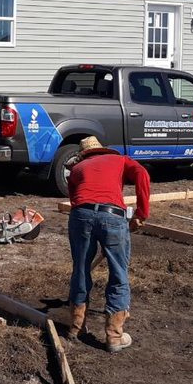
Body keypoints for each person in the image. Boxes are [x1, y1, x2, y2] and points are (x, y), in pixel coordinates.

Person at [64, 136, 151, 352]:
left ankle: (76, 327)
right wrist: (141, 213)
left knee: (81, 270)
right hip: (112, 216)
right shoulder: (120, 160)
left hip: (80, 216)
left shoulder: (77, 168)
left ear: (84, 154)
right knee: (118, 273)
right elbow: (142, 173)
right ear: (104, 151)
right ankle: (114, 336)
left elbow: (76, 198)